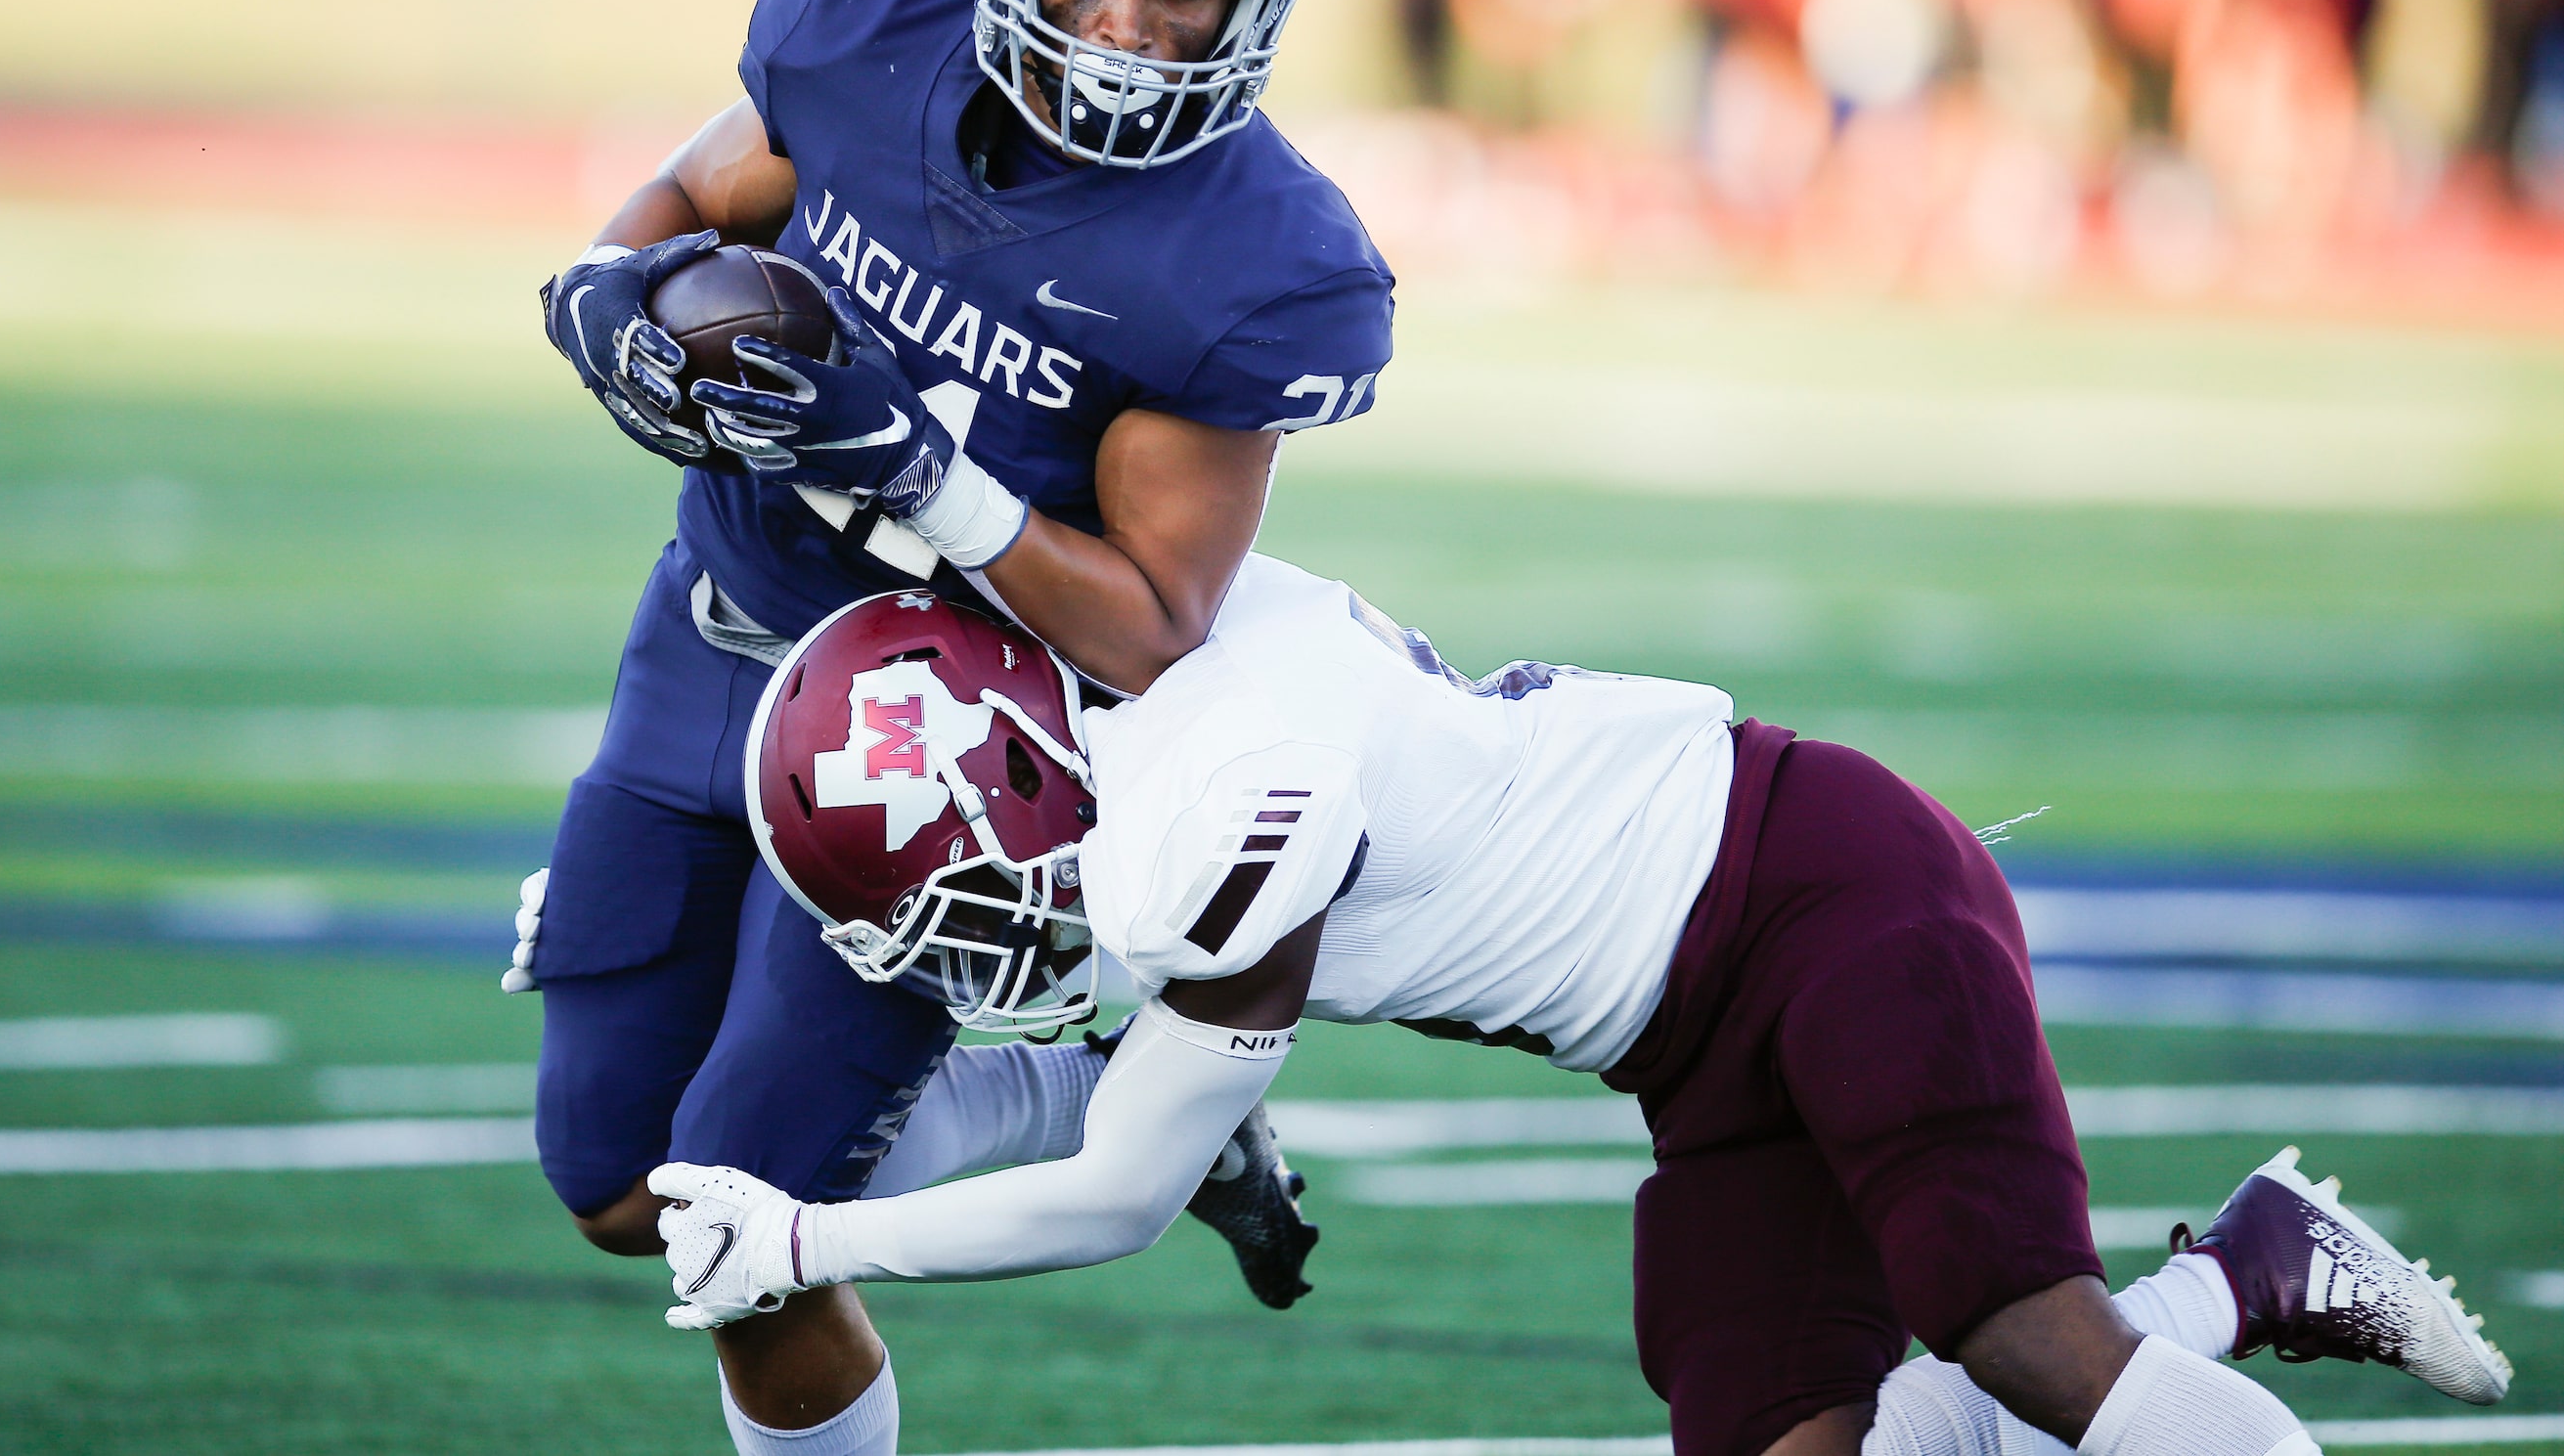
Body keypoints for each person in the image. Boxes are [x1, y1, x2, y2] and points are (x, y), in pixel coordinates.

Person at [649, 560, 2514, 1456]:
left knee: (2019, 1334)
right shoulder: (1142, 685)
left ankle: (2224, 1309)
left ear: (1032, 775)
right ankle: (2250, 1270)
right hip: (1696, 1026)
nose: (976, 947)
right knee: (1792, 1432)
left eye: (960, 894)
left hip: (1831, 899)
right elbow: (1078, 1103)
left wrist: (815, 1231)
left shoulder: (1218, 821)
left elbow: (1116, 1189)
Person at [511, 0, 1394, 1456]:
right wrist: (609, 288)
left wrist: (924, 472)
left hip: (941, 724)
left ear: (1258, 5)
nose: (1131, 33)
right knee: (614, 1182)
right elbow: (700, 190)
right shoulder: (880, 6)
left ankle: (1062, 1079)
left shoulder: (1248, 253)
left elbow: (1151, 618)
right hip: (710, 632)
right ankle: (1070, 1079)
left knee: (739, 1227)